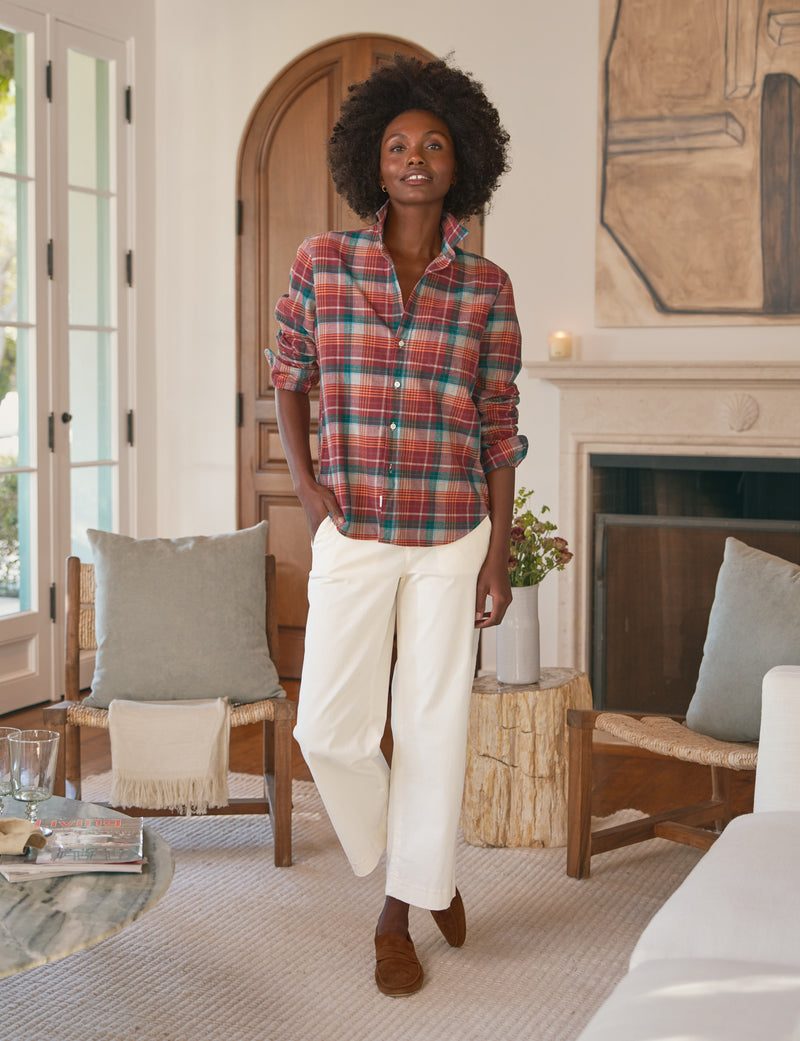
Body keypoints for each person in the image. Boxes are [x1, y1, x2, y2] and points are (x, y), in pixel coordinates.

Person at [268, 55, 528, 997]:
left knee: (430, 725)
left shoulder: (488, 287)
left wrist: (499, 554)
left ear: (461, 163)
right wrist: (305, 487)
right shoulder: (321, 263)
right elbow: (288, 375)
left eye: (433, 145)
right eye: (397, 146)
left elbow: (499, 426)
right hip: (357, 524)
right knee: (330, 730)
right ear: (372, 164)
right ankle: (429, 869)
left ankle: (400, 912)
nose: (415, 159)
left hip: (452, 529)